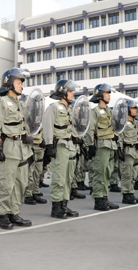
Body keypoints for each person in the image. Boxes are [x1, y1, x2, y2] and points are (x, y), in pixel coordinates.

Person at [0, 68, 33, 230]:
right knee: (7, 183)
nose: (22, 86)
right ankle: (3, 215)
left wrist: (27, 135)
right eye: (19, 83)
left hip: (22, 149)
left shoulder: (20, 104)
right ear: (10, 83)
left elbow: (24, 124)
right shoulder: (2, 102)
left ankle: (14, 212)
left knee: (21, 182)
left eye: (21, 83)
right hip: (9, 148)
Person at [43, 79, 80, 218]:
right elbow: (47, 126)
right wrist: (49, 145)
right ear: (63, 92)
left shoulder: (70, 108)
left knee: (68, 178)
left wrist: (77, 139)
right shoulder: (53, 107)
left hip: (70, 146)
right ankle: (56, 206)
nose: (72, 94)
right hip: (60, 146)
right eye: (70, 91)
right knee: (58, 177)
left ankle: (64, 205)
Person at [85, 84, 119, 211]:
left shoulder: (110, 111)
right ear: (100, 95)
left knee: (107, 173)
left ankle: (104, 197)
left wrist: (115, 137)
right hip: (101, 145)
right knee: (100, 173)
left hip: (110, 145)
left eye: (109, 93)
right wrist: (90, 145)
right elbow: (90, 129)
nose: (109, 95)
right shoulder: (94, 111)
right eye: (107, 93)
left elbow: (115, 127)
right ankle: (98, 200)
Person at [119, 99, 138, 204]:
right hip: (127, 150)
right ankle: (126, 195)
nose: (135, 111)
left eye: (135, 108)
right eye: (133, 108)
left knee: (134, 174)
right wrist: (120, 149)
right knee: (127, 174)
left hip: (135, 150)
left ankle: (131, 193)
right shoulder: (123, 122)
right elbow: (120, 135)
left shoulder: (135, 123)